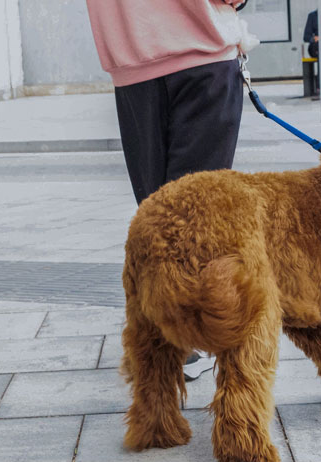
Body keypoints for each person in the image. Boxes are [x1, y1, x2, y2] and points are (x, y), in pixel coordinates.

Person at [86, 0, 257, 380]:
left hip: (130, 61)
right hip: (200, 52)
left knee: (157, 215)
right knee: (195, 220)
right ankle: (182, 341)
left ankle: (161, 342)